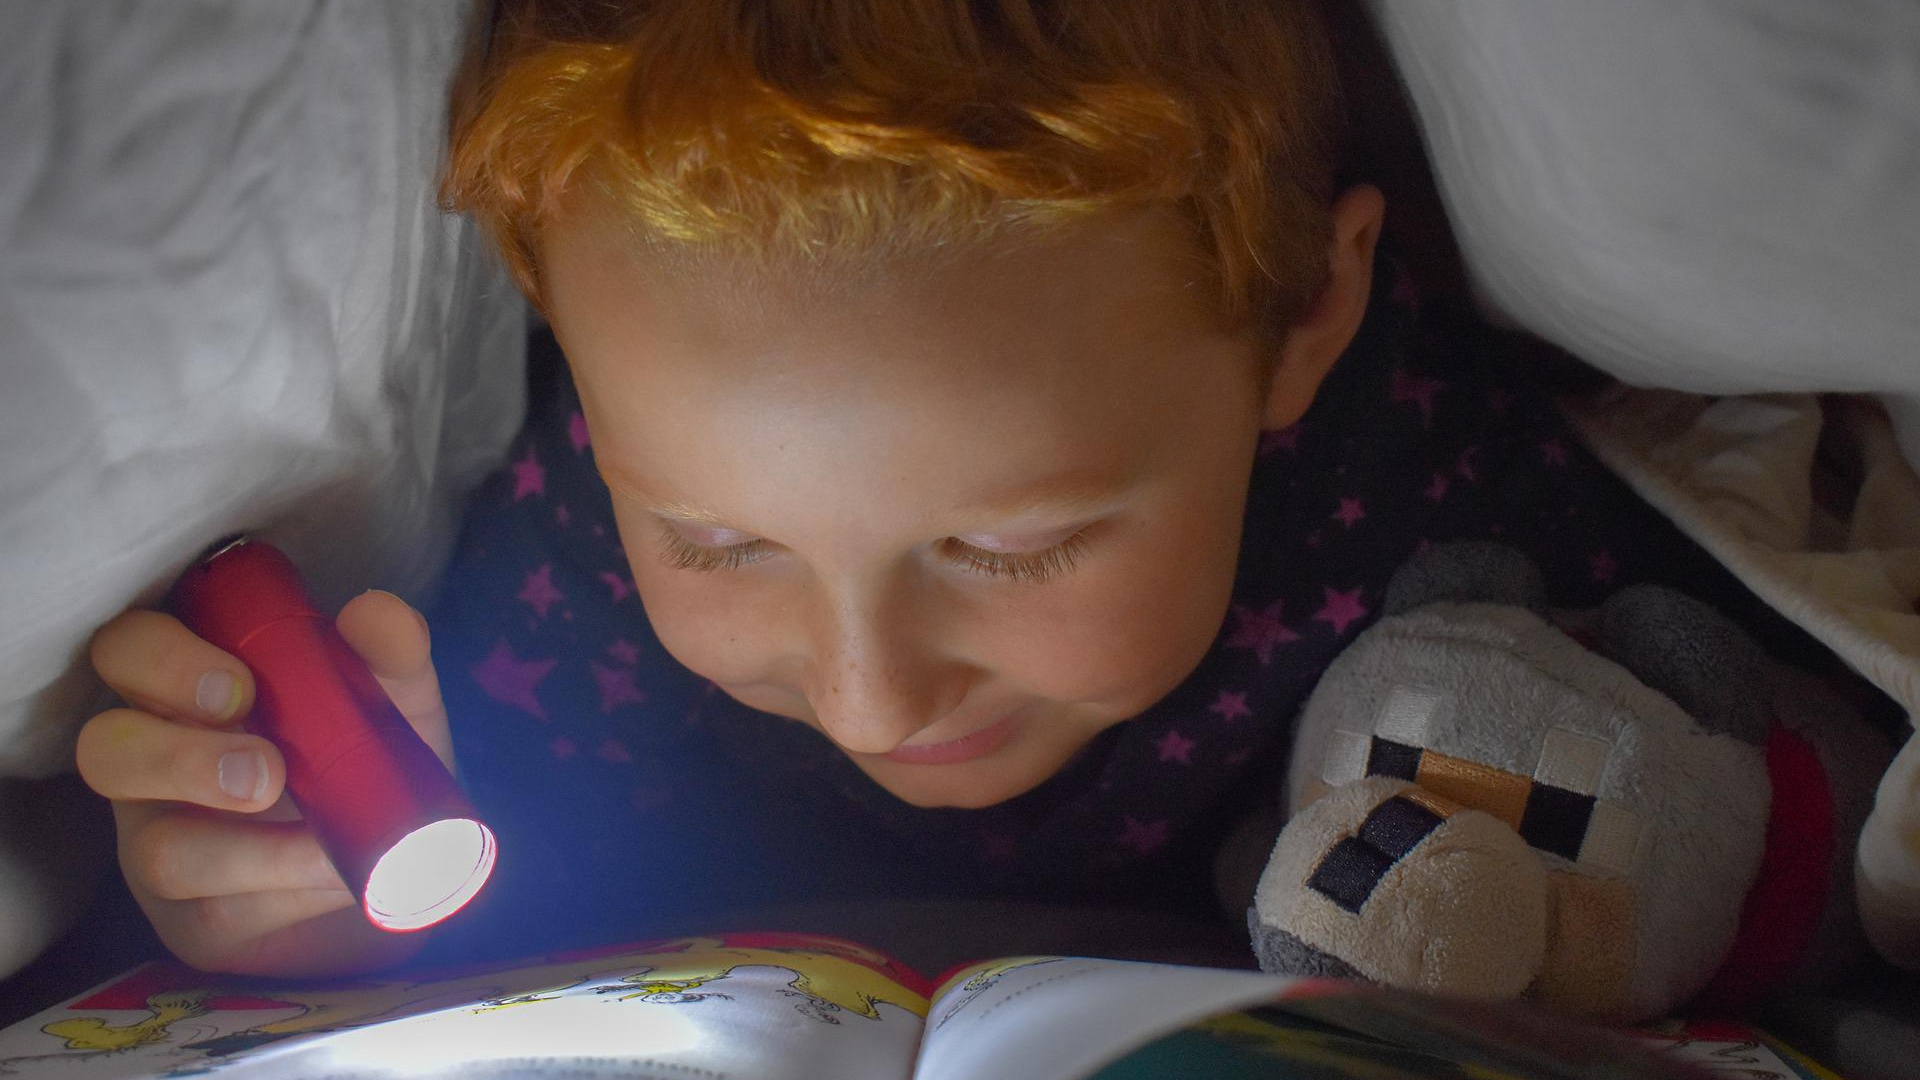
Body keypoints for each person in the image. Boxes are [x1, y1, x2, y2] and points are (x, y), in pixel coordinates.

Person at [72, 0, 1800, 977]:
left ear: (1306, 317)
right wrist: (287, 909)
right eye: (719, 541)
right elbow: (478, 912)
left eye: (1010, 546)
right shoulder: (543, 585)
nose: (867, 693)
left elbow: (1748, 765)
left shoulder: (1447, 488)